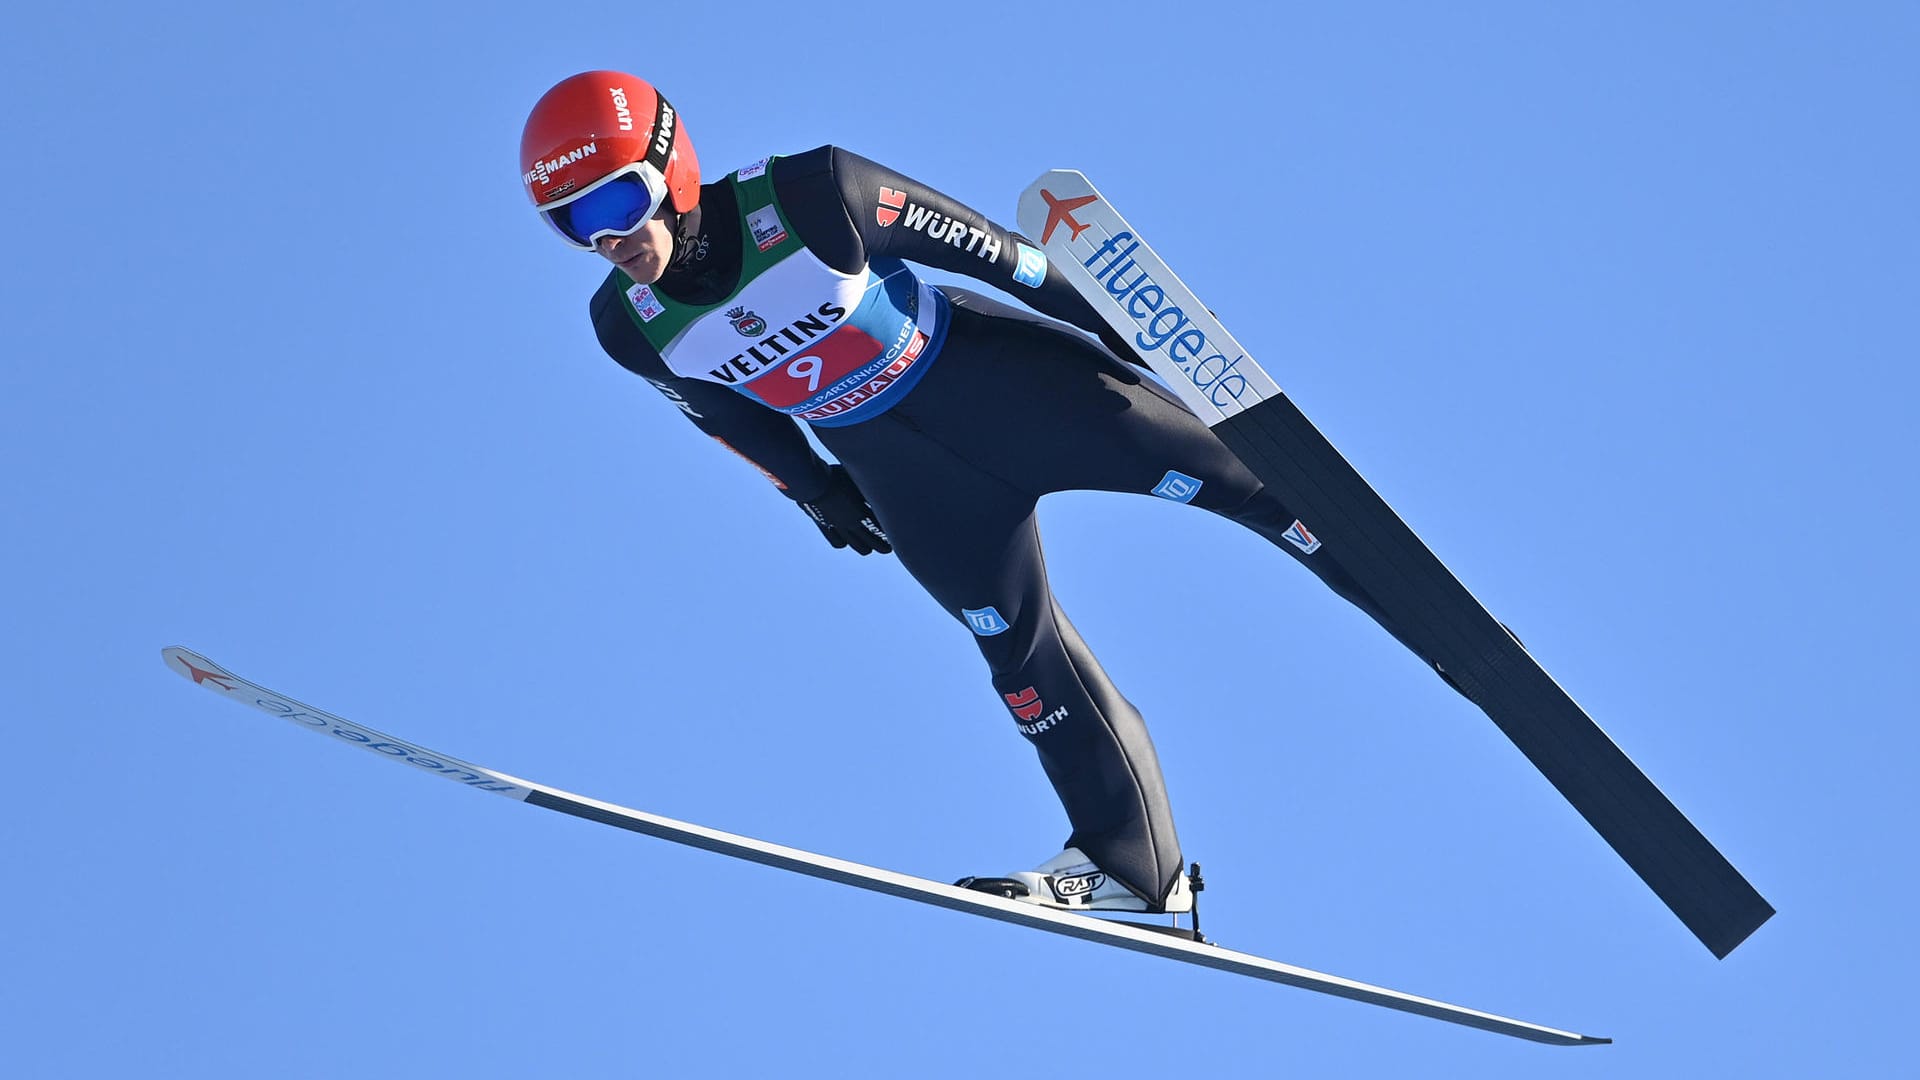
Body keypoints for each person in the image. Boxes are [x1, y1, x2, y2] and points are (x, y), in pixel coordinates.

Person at [520, 71, 1405, 915]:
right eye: (573, 227)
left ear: (671, 167)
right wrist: (817, 495)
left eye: (614, 204)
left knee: (1248, 485)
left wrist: (1121, 325)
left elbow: (1006, 258)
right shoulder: (626, 329)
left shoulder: (808, 194)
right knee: (1017, 656)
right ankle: (1134, 872)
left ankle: (1431, 621)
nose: (608, 240)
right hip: (913, 485)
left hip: (1009, 389)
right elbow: (729, 421)